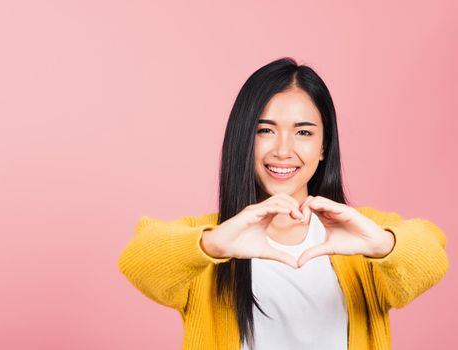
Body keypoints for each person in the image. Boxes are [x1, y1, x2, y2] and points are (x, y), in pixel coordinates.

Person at [117, 57, 448, 350]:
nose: (283, 150)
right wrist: (213, 244)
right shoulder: (210, 239)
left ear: (323, 147)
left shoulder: (361, 235)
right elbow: (138, 258)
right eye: (265, 130)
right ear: (243, 139)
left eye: (303, 133)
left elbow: (432, 253)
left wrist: (381, 245)